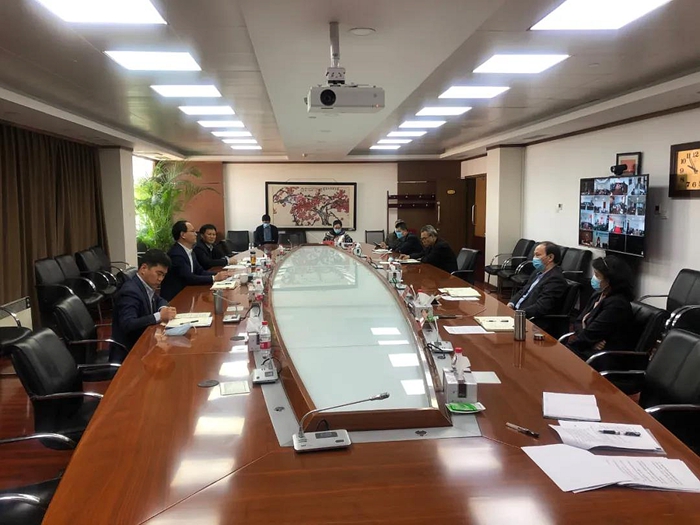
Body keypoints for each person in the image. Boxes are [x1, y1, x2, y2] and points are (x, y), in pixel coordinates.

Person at [111, 249, 177, 362]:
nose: (160, 279)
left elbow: (159, 299)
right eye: (158, 274)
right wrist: (159, 316)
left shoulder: (145, 285)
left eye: (163, 275)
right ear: (144, 268)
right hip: (130, 353)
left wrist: (163, 308)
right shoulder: (130, 292)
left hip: (146, 345)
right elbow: (128, 324)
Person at [565, 255, 634, 360]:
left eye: (597, 275)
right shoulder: (598, 294)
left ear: (610, 280)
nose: (594, 278)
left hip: (603, 357)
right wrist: (592, 342)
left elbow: (591, 334)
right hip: (587, 347)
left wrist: (568, 348)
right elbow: (578, 322)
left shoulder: (617, 304)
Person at [160, 220, 231, 301]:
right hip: (176, 297)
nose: (196, 234)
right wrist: (214, 278)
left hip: (188, 293)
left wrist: (221, 275)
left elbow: (199, 271)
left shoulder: (190, 251)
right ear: (183, 235)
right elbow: (189, 278)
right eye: (192, 231)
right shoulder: (176, 254)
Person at [507, 242, 568, 335]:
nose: (534, 258)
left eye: (537, 255)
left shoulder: (555, 279)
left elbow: (541, 307)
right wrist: (511, 303)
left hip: (532, 322)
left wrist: (518, 313)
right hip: (518, 314)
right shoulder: (537, 272)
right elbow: (523, 291)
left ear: (550, 257)